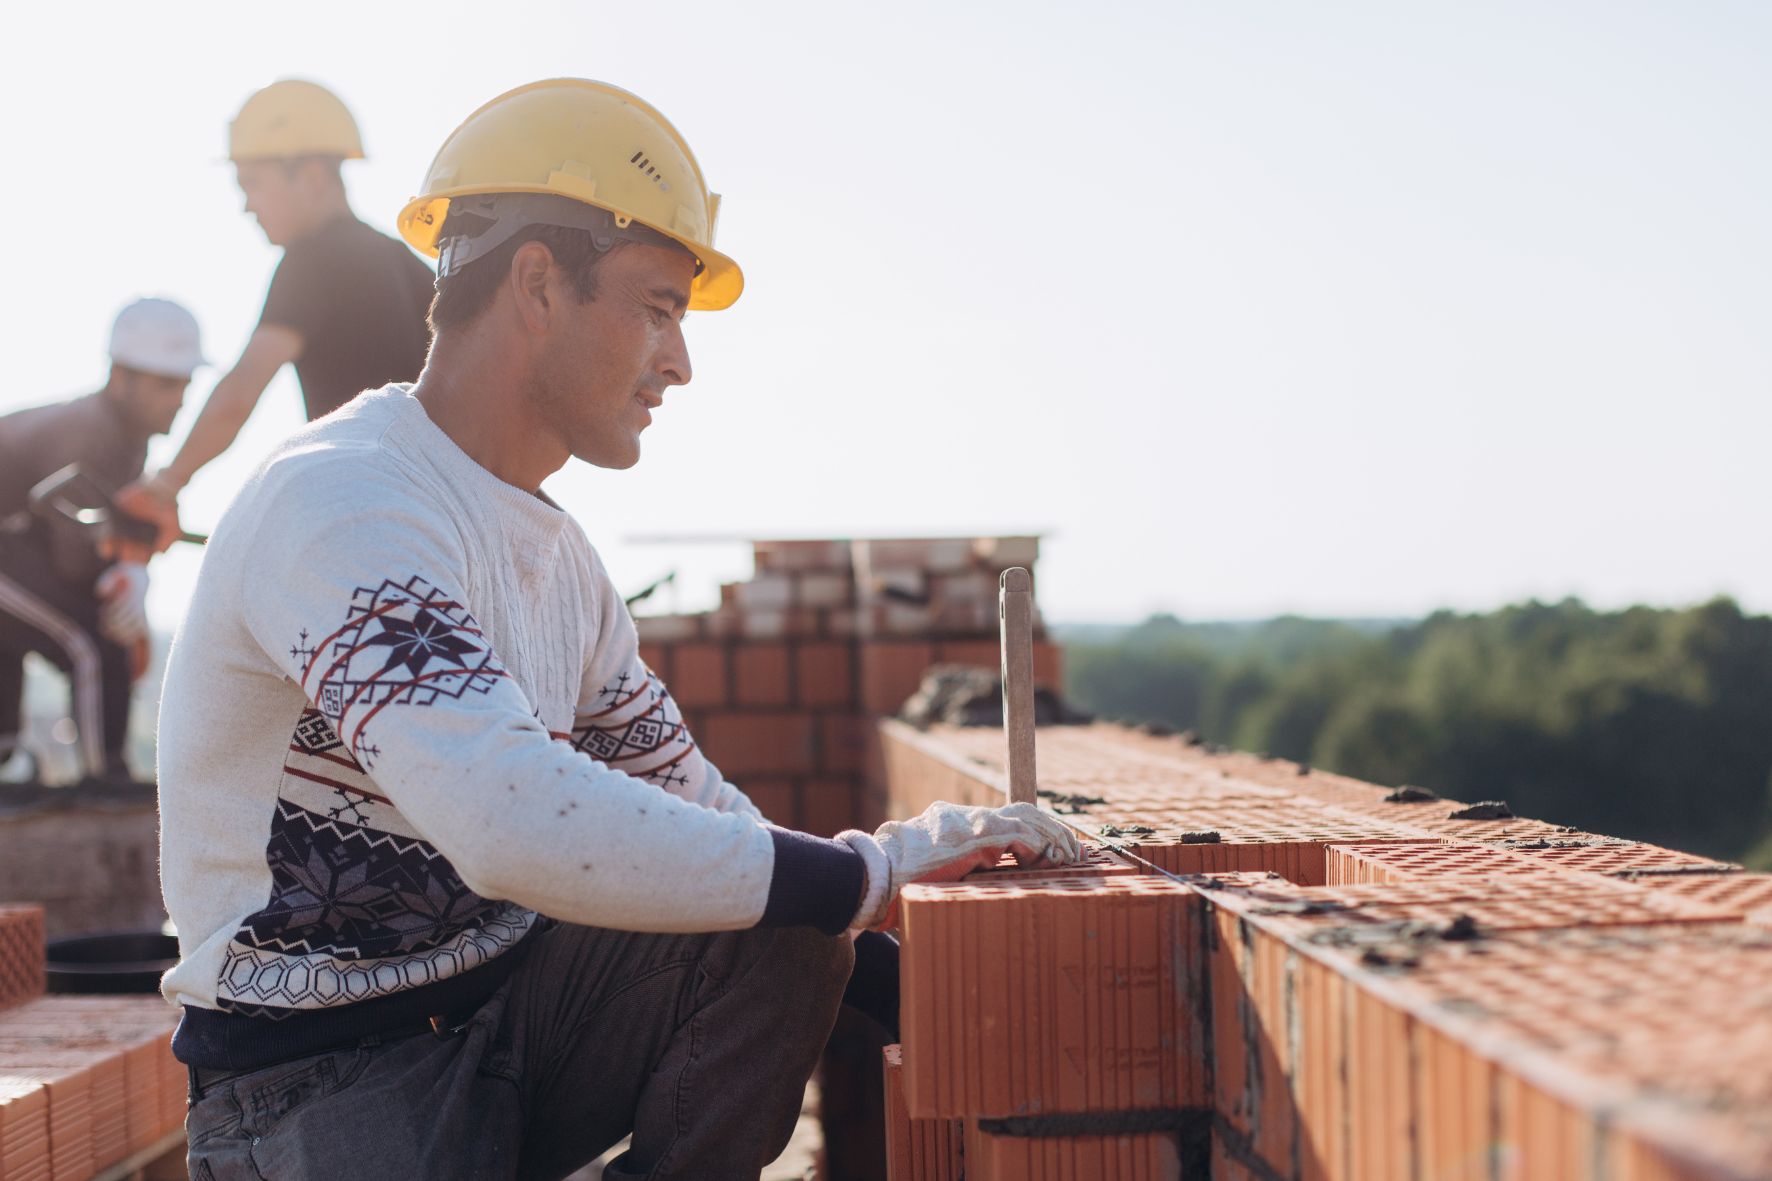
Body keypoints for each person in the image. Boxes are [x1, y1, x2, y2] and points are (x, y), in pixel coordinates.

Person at [161, 78, 1081, 1180]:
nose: (678, 361)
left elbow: (706, 825)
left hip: (508, 1020)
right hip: (319, 1081)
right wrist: (868, 870)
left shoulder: (559, 563)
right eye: (656, 305)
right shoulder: (346, 502)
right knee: (804, 894)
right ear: (539, 282)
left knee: (783, 924)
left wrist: (895, 964)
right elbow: (510, 819)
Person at [117, 79, 433, 547]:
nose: (247, 206)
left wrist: (165, 485)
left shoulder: (313, 258)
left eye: (253, 184)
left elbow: (239, 394)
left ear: (311, 176)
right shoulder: (408, 265)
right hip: (444, 515)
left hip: (375, 518)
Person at [0, 298, 204, 786]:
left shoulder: (127, 440)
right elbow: (74, 560)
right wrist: (129, 577)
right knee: (90, 643)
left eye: (184, 384)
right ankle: (103, 781)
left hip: (15, 545)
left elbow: (81, 542)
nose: (180, 398)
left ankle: (7, 762)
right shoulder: (89, 433)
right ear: (121, 378)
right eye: (166, 384)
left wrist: (130, 568)